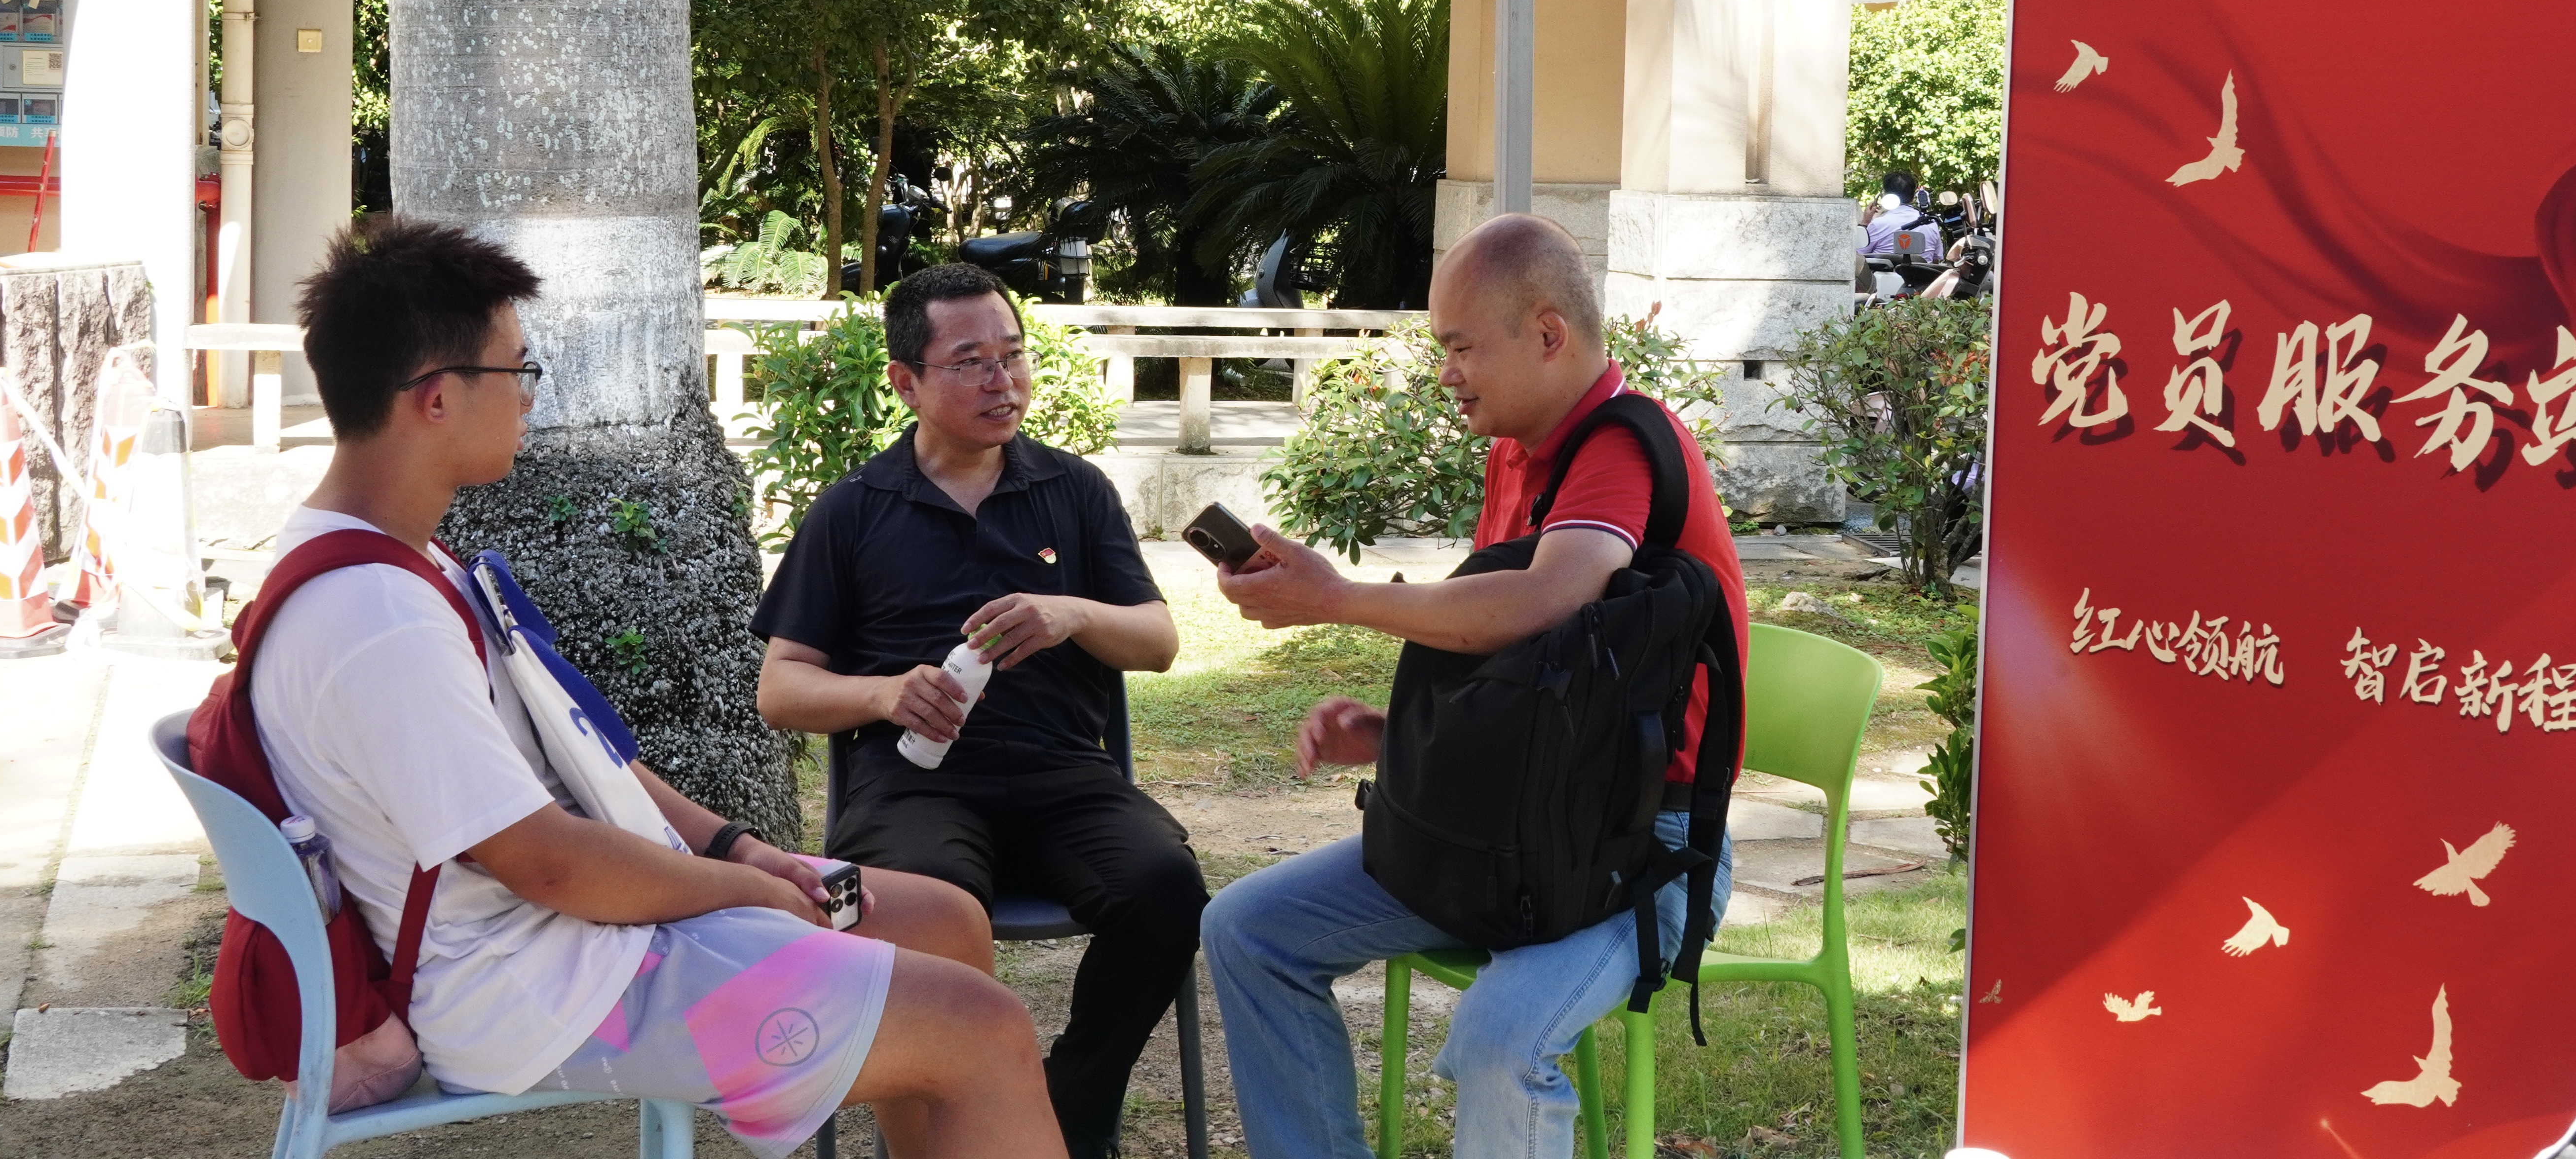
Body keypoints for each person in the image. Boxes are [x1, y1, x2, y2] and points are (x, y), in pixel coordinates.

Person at [259, 219, 1059, 1159]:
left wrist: (742, 852)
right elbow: (548, 863)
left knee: (944, 922)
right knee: (984, 1028)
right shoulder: (377, 618)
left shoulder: (399, 563)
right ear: (436, 399)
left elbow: (586, 759)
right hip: (537, 992)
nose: (529, 397)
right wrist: (744, 894)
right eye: (518, 370)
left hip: (567, 940)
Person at [1199, 213, 1746, 1158]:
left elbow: (1541, 600)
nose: (1445, 372)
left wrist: (1335, 599)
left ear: (1547, 334)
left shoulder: (1621, 447)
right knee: (1249, 930)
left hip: (1645, 850)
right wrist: (1390, 732)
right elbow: (1526, 671)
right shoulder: (1516, 454)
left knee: (1501, 1038)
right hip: (1518, 833)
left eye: (1460, 347)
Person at [753, 263, 1207, 1159]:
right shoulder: (853, 511)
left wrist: (1072, 615)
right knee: (918, 909)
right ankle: (949, 1137)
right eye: (971, 362)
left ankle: (1067, 1117)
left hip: (1062, 773)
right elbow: (781, 689)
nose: (1003, 381)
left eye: (1013, 355)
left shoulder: (1074, 492)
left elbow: (1157, 641)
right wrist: (884, 693)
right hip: (914, 786)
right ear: (906, 381)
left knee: (1166, 889)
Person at [1860, 168, 1942, 259]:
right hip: (1923, 269)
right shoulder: (1931, 224)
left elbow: (1857, 256)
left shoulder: (1878, 224)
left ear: (1886, 195)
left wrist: (1865, 222)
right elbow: (1936, 260)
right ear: (1914, 197)